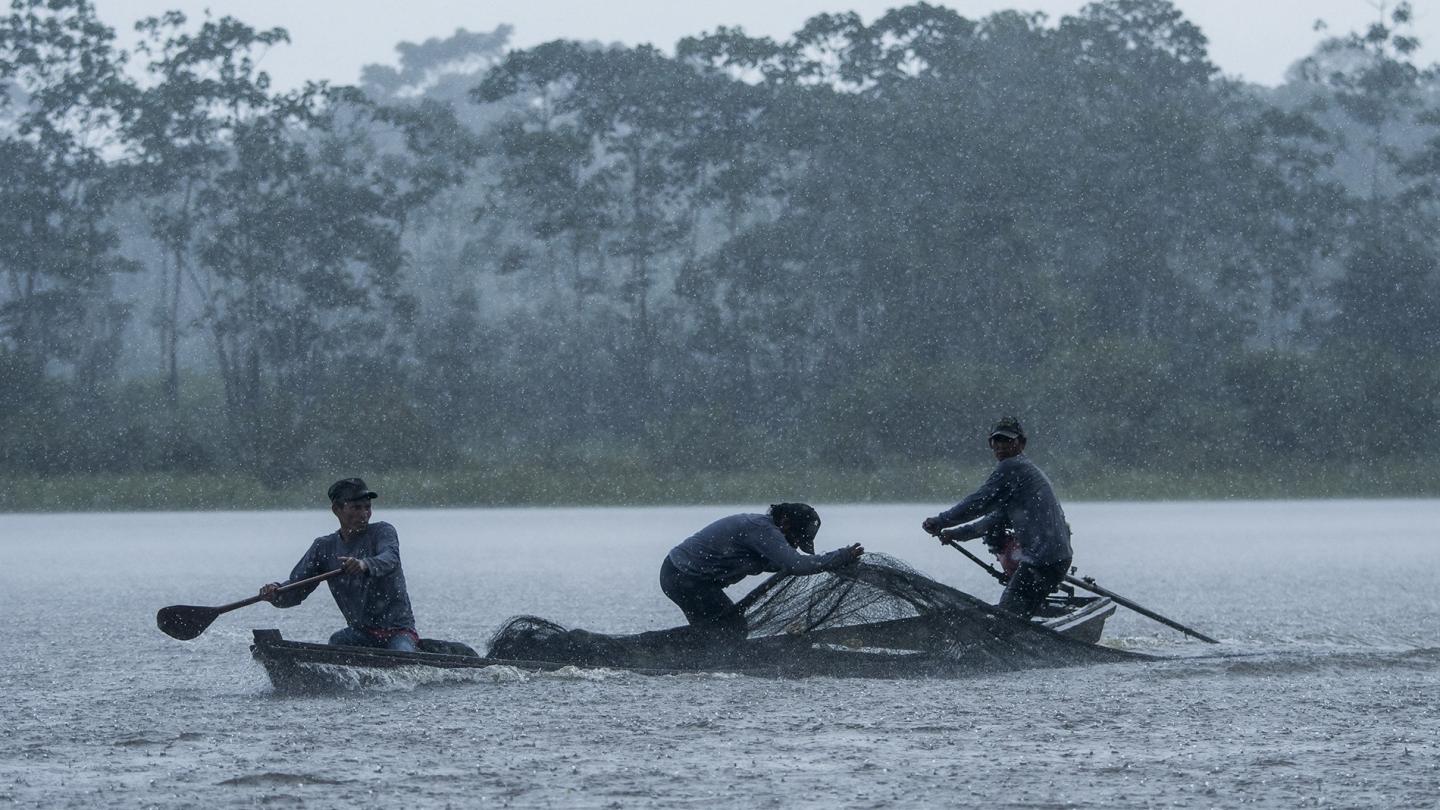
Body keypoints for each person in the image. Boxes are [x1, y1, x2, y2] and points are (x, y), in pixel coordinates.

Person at [922, 417, 1072, 618]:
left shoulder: (1013, 467)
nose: (1000, 446)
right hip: (1055, 557)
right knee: (1016, 612)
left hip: (1043, 559)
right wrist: (955, 534)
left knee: (1006, 620)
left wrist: (940, 520)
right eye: (996, 441)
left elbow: (979, 502)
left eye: (1007, 441)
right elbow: (991, 520)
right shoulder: (1020, 477)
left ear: (1021, 443)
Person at [260, 478, 419, 652]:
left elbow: (390, 559)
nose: (364, 514)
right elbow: (296, 588)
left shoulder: (383, 532)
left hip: (398, 632)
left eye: (367, 507)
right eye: (356, 508)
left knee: (402, 656)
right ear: (337, 509)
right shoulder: (324, 547)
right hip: (361, 634)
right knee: (337, 641)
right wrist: (275, 592)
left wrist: (364, 564)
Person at [661, 503, 865, 639]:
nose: (794, 545)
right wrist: (840, 556)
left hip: (690, 579)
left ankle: (697, 656)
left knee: (723, 629)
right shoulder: (762, 530)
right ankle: (688, 657)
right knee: (728, 628)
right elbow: (797, 565)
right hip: (682, 576)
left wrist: (834, 564)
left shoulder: (766, 533)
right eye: (795, 539)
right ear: (785, 523)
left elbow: (786, 564)